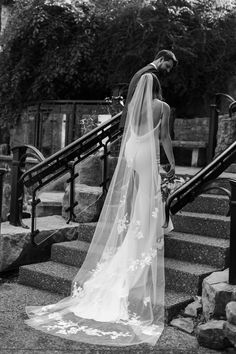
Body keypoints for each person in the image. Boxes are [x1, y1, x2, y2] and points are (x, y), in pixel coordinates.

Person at [25, 73, 175, 347]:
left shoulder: (133, 106)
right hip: (147, 154)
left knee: (134, 194)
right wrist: (171, 161)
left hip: (132, 150)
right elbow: (163, 136)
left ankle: (133, 231)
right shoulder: (162, 108)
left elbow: (128, 131)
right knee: (146, 196)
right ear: (157, 88)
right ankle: (141, 237)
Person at [120, 49, 177, 179]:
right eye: (167, 66)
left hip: (132, 136)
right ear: (161, 59)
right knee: (145, 188)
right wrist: (171, 162)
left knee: (132, 186)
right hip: (143, 142)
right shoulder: (150, 74)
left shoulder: (141, 72)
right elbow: (164, 136)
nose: (168, 71)